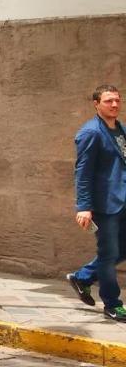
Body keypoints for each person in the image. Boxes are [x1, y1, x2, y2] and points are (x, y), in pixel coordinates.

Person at [68, 85, 126, 320]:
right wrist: (83, 206)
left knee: (117, 252)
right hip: (105, 205)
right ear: (96, 104)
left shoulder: (120, 129)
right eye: (108, 101)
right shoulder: (91, 132)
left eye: (117, 100)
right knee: (108, 254)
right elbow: (83, 172)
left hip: (122, 200)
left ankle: (82, 277)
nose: (114, 105)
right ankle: (112, 303)